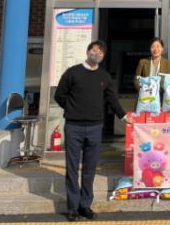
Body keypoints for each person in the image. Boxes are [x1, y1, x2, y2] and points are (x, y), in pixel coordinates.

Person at [54, 40, 131, 222]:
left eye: (101, 52)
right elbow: (59, 95)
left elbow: (112, 99)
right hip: (73, 127)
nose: (97, 54)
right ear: (88, 52)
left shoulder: (104, 76)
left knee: (90, 168)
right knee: (72, 167)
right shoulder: (72, 72)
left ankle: (85, 205)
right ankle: (73, 207)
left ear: (103, 57)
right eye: (94, 50)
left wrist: (124, 116)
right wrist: (72, 109)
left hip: (95, 127)